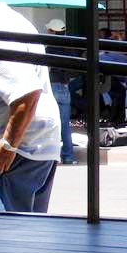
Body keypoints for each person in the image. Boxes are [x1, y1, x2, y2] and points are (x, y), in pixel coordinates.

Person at [0, 0, 61, 213]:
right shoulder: (7, 21)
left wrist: (8, 145)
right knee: (27, 228)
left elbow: (27, 93)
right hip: (34, 147)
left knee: (1, 229)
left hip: (16, 154)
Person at [44, 19, 78, 165]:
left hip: (51, 86)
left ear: (52, 31)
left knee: (50, 124)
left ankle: (51, 157)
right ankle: (68, 156)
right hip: (65, 88)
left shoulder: (49, 49)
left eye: (49, 30)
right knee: (65, 125)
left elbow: (45, 70)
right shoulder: (69, 49)